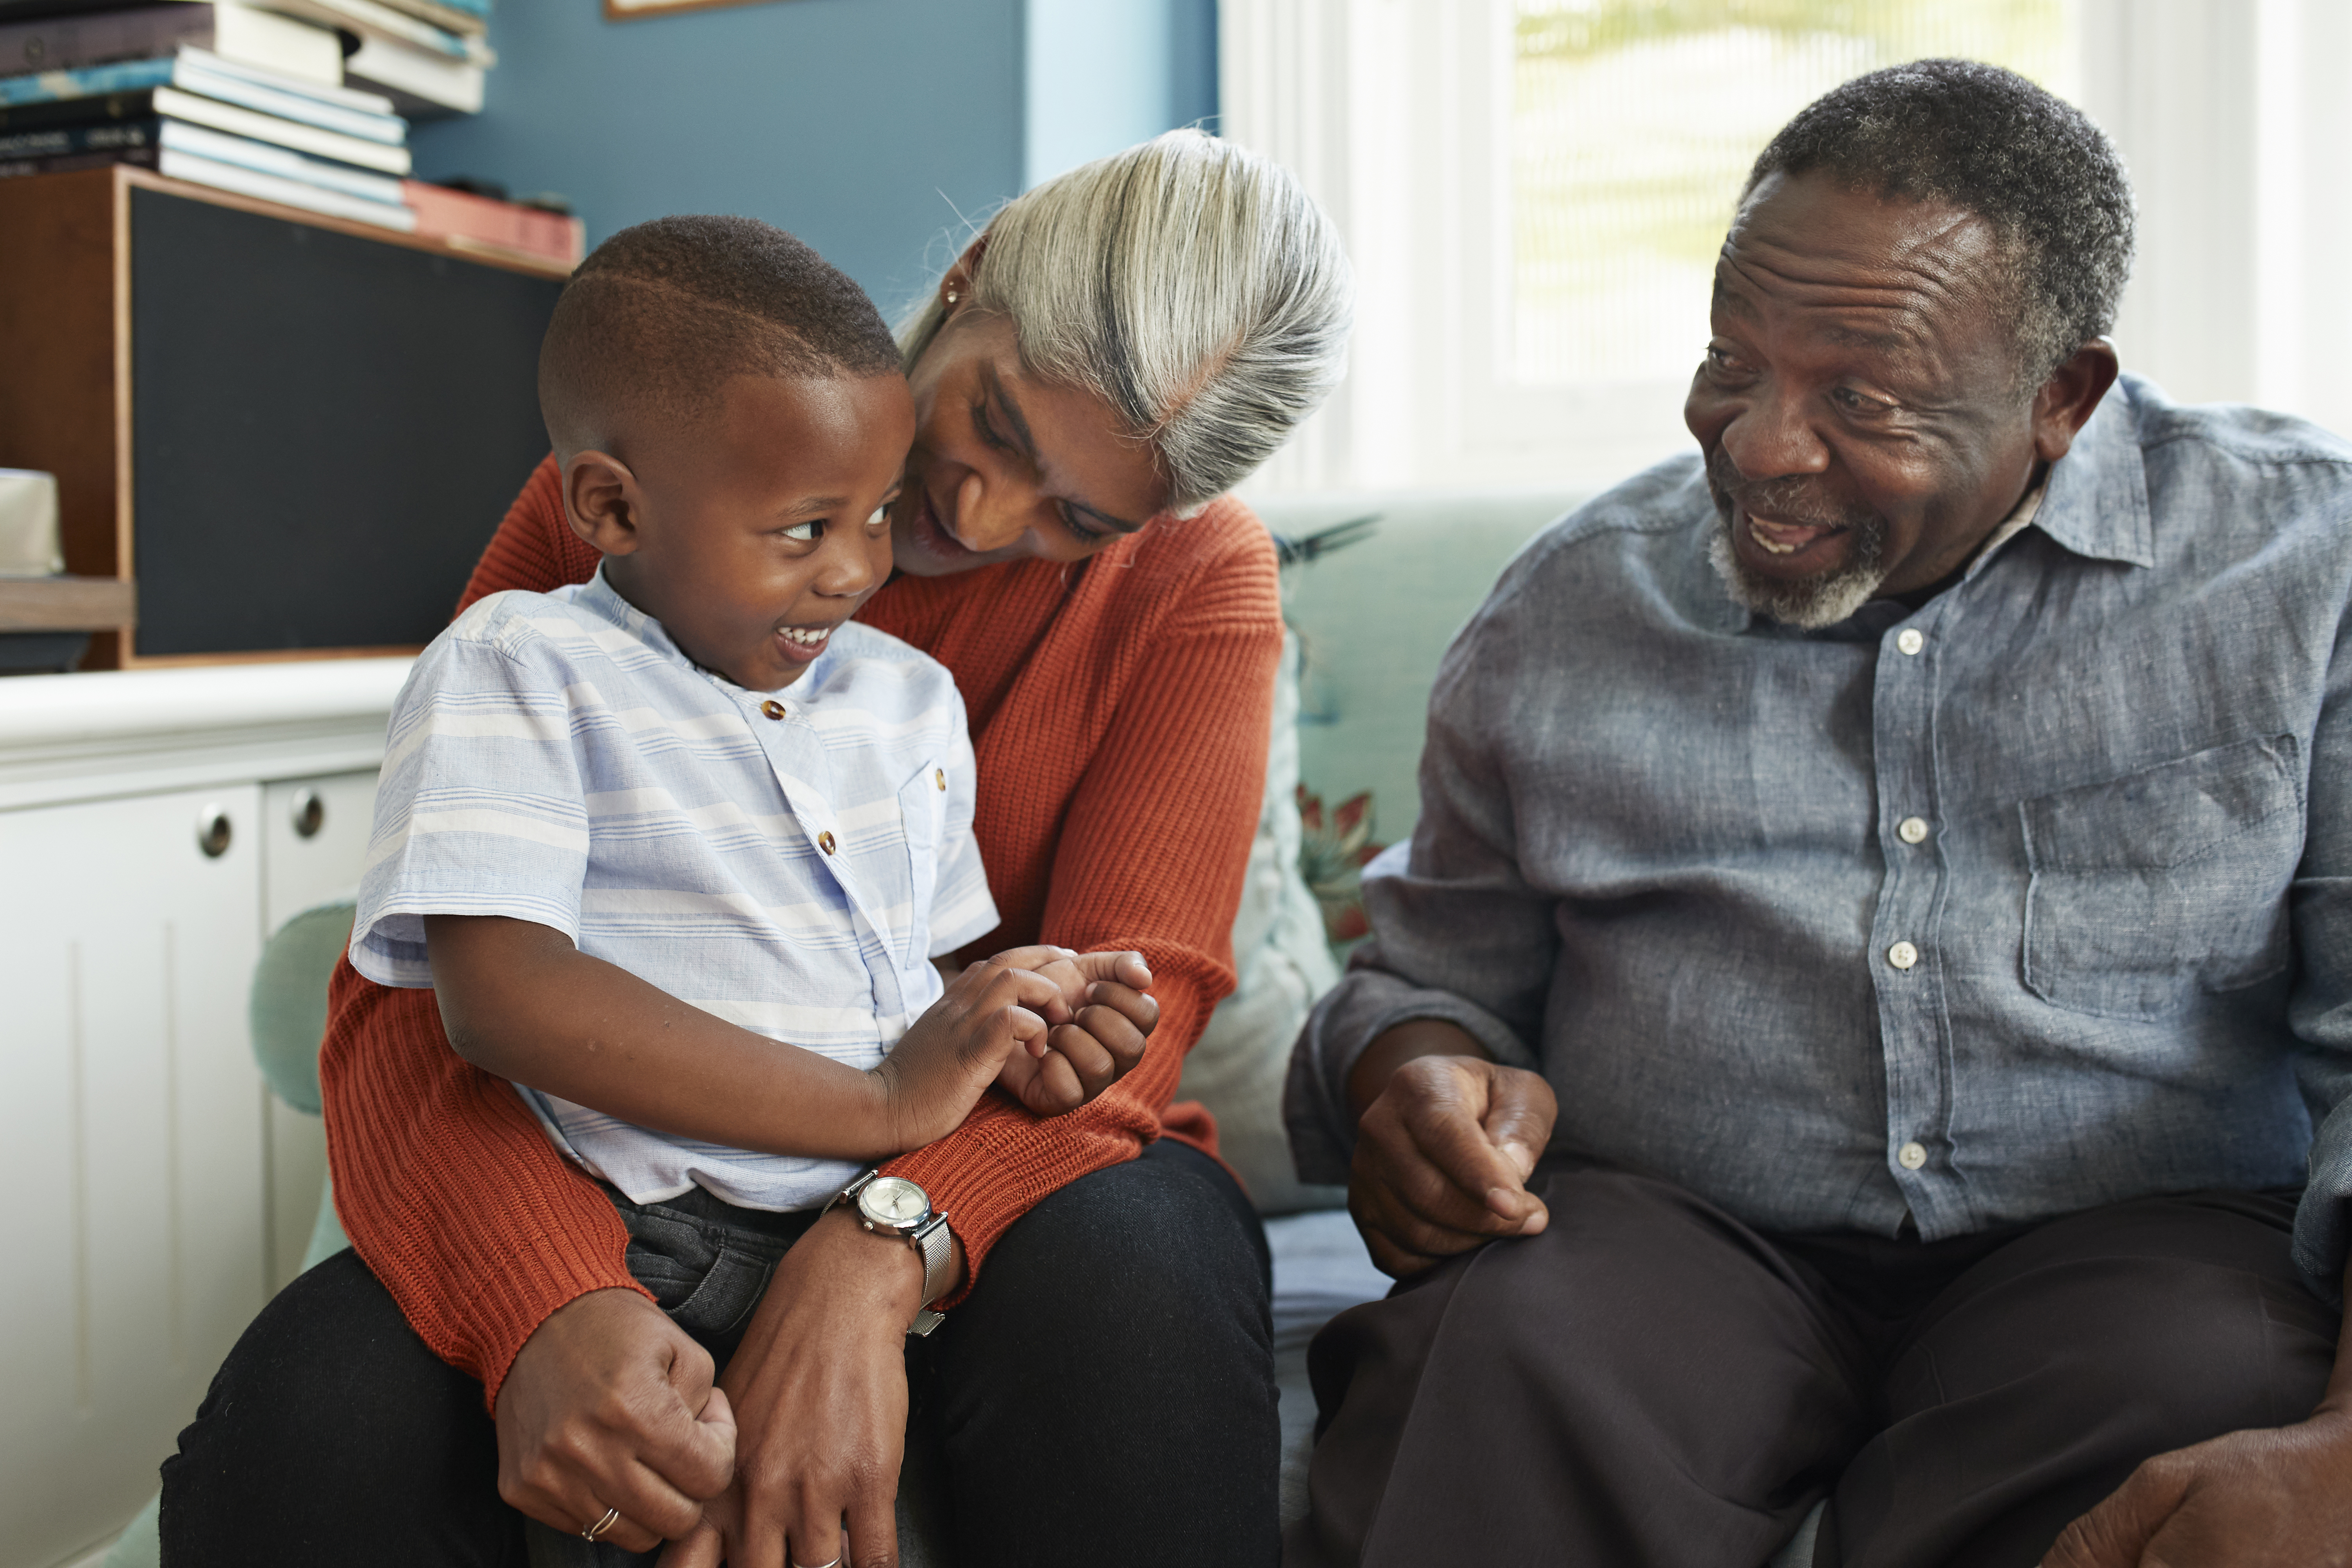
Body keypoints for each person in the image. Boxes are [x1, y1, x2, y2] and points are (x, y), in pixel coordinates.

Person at [164, 130, 1351, 1568]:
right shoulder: (651, 487)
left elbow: (1125, 1020)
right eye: (995, 428)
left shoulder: (1196, 588)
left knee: (1138, 1285)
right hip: (623, 1185)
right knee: (315, 1413)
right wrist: (548, 1298)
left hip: (1018, 1202)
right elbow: (441, 972)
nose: (973, 518)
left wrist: (877, 1254)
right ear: (969, 281)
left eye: (1076, 520)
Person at [1284, 61, 2352, 1568]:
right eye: (1734, 362)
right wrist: (1416, 1076)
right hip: (1667, 1235)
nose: (1760, 447)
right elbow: (1430, 985)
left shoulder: (2304, 566)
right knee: (1484, 1356)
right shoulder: (1573, 602)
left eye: (1861, 397)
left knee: (2209, 1411)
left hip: (2144, 1242)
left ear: (2062, 397)